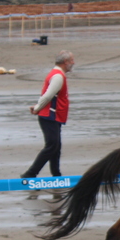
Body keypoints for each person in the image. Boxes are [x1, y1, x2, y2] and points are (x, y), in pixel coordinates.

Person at [21, 50, 76, 178]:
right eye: (72, 60)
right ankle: (30, 174)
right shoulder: (58, 76)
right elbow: (48, 96)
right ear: (65, 62)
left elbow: (48, 95)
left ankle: (56, 175)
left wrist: (37, 106)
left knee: (56, 147)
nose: (73, 63)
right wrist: (37, 108)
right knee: (52, 146)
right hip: (50, 116)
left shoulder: (57, 74)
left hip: (53, 116)